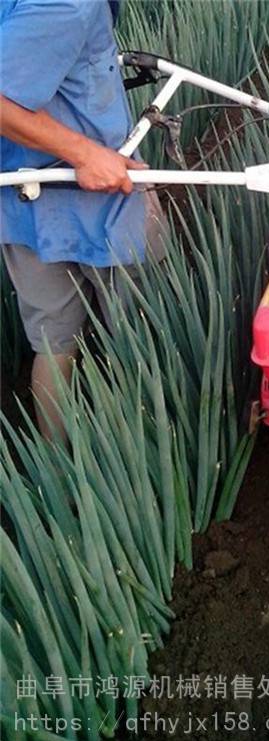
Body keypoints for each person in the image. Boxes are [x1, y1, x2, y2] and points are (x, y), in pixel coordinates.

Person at [0, 0, 166, 439]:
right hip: (97, 198)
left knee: (53, 342)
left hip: (20, 201)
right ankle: (149, 455)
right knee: (146, 333)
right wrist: (86, 153)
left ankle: (57, 470)